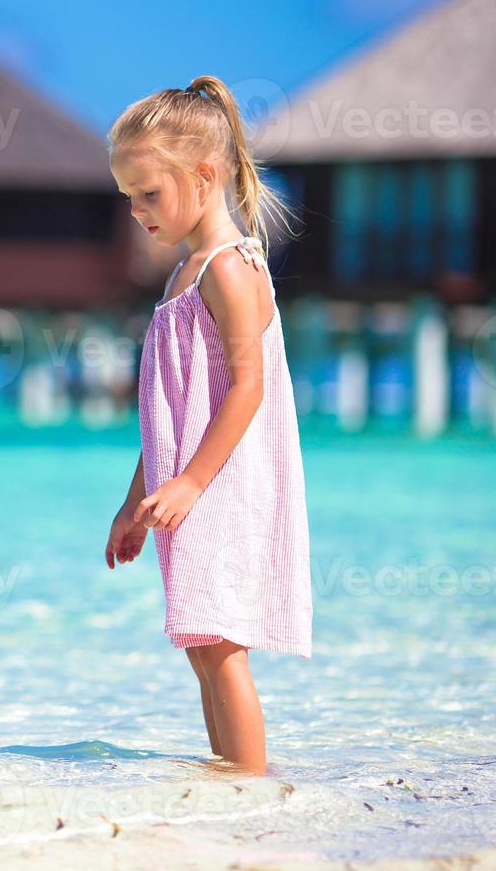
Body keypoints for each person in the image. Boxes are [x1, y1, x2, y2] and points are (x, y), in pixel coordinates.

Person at [104, 76, 313, 774]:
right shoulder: (181, 277)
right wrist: (136, 499)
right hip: (190, 487)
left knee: (223, 648)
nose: (137, 212)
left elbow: (247, 388)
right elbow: (168, 406)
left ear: (205, 175)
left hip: (223, 485)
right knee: (202, 645)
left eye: (149, 195)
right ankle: (227, 785)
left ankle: (254, 791)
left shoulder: (229, 269)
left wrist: (192, 480)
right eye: (128, 198)